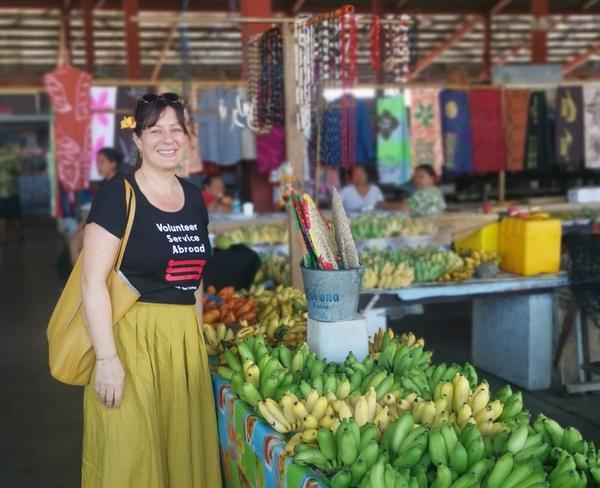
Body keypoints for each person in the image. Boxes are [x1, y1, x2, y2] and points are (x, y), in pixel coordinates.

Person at [80, 93, 221, 487]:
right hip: (130, 341)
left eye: (176, 129)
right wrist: (106, 360)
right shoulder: (117, 194)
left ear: (188, 137)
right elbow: (91, 282)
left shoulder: (193, 197)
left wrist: (195, 340)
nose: (168, 138)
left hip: (182, 344)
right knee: (134, 459)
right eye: (155, 129)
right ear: (138, 141)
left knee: (180, 453)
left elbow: (194, 280)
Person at [68, 147, 123, 265]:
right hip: (98, 224)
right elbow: (96, 209)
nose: (98, 166)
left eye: (102, 162)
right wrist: (82, 225)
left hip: (110, 227)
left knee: (75, 244)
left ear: (113, 163)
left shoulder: (119, 183)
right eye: (97, 162)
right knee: (74, 241)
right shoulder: (104, 183)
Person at [0, 137, 24, 244]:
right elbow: (19, 169)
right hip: (12, 190)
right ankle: (18, 237)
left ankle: (2, 239)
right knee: (16, 216)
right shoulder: (12, 156)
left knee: (1, 217)